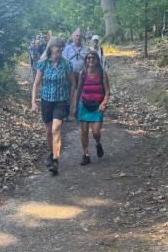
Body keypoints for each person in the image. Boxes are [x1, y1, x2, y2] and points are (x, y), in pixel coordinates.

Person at [31, 36, 75, 175]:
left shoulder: (66, 64)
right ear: (51, 48)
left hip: (60, 101)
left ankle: (55, 161)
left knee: (56, 129)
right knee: (48, 131)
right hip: (46, 100)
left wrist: (71, 102)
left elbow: (73, 84)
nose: (59, 52)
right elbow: (36, 83)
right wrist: (33, 102)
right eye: (57, 49)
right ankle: (51, 153)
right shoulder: (43, 63)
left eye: (61, 49)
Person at [76, 50, 110, 165]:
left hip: (97, 106)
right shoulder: (83, 73)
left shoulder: (102, 73)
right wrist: (75, 106)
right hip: (84, 104)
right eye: (88, 58)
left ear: (97, 60)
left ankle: (98, 143)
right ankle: (86, 154)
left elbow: (107, 92)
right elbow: (79, 90)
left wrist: (103, 103)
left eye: (93, 58)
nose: (91, 60)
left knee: (95, 132)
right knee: (84, 131)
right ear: (86, 60)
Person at [62, 28, 88, 119]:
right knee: (69, 93)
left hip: (81, 74)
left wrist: (85, 70)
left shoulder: (85, 49)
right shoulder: (67, 48)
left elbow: (88, 62)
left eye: (80, 36)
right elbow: (63, 61)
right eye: (76, 36)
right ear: (73, 37)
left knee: (81, 93)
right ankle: (67, 113)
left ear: (82, 38)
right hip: (69, 74)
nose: (78, 37)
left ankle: (77, 111)